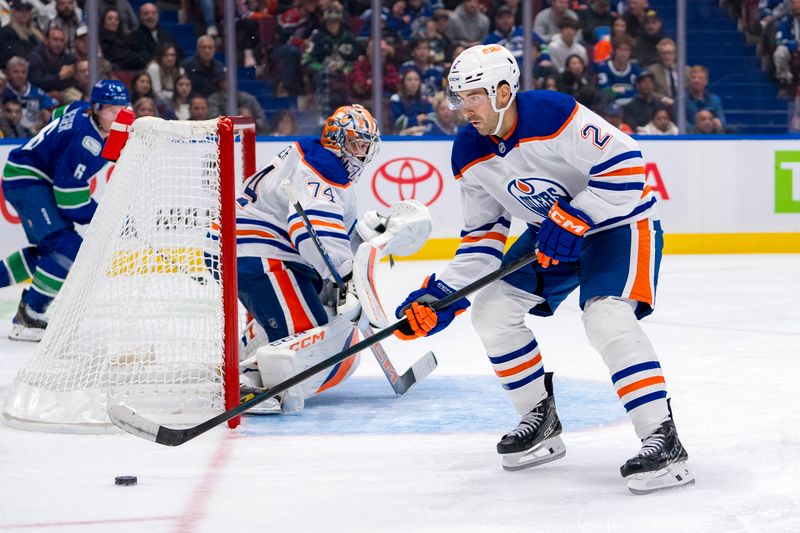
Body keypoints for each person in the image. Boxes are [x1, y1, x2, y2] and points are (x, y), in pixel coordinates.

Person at [393, 44, 693, 494]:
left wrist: (579, 214)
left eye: (472, 96)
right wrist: (440, 296)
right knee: (491, 311)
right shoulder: (469, 152)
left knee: (606, 317)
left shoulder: (552, 113)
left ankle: (662, 439)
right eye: (457, 97)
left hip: (620, 222)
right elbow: (482, 239)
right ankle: (540, 418)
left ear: (501, 91)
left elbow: (628, 165)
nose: (462, 108)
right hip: (552, 234)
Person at [234, 104, 426, 413]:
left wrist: (364, 236)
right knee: (322, 346)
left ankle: (237, 359)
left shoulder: (320, 164)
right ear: (337, 140)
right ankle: (250, 378)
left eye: (365, 146)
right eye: (356, 143)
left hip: (265, 251)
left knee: (331, 340)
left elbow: (327, 233)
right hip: (261, 253)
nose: (361, 153)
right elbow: (309, 229)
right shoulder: (323, 167)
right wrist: (349, 280)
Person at [0, 80, 131, 341]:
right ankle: (30, 315)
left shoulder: (80, 109)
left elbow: (60, 115)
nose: (118, 118)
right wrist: (104, 217)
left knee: (51, 252)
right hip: (28, 181)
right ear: (96, 108)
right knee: (66, 248)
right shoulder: (86, 142)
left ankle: (29, 309)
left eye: (122, 110)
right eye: (111, 111)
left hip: (30, 176)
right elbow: (69, 198)